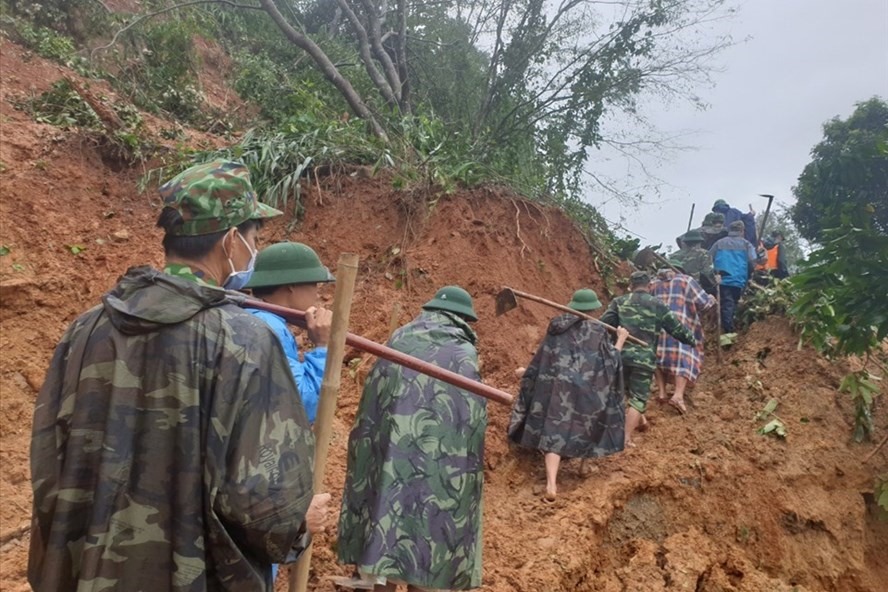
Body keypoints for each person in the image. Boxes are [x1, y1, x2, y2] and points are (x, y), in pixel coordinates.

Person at [28, 160, 330, 592]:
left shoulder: (86, 328)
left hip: (87, 572)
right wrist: (298, 524)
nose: (253, 249)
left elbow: (48, 462)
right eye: (254, 238)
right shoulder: (245, 341)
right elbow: (261, 502)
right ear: (230, 241)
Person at [338, 286, 487, 592]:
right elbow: (471, 420)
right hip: (440, 467)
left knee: (386, 530)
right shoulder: (464, 353)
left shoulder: (399, 340)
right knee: (428, 545)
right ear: (463, 320)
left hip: (391, 458)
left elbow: (373, 402)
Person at [508, 289, 630, 501]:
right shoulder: (598, 331)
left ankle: (552, 484)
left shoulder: (556, 327)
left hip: (556, 387)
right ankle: (584, 467)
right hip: (586, 388)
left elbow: (542, 356)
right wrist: (621, 339)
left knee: (553, 432)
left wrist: (527, 373)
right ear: (593, 308)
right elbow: (610, 362)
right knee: (590, 424)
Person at [600, 271, 696, 447]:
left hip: (620, 354)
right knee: (638, 398)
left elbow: (604, 324)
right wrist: (691, 340)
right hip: (644, 358)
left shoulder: (619, 302)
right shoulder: (657, 304)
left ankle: (640, 422)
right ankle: (625, 438)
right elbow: (676, 329)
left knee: (623, 391)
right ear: (649, 286)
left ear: (631, 285)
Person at [244, 241, 335, 423]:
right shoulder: (271, 328)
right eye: (313, 284)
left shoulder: (250, 315)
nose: (316, 294)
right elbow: (302, 404)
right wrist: (321, 346)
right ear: (291, 286)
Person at [651, 262, 717, 414]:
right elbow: (705, 304)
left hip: (658, 326)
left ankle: (662, 392)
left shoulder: (653, 284)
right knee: (685, 357)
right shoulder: (686, 281)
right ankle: (678, 395)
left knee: (658, 357)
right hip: (679, 326)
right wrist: (712, 298)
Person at [709, 220, 762, 333]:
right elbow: (753, 260)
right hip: (738, 280)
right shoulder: (746, 244)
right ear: (742, 231)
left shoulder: (719, 243)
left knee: (727, 302)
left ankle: (728, 326)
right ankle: (728, 329)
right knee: (732, 303)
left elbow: (708, 258)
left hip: (721, 279)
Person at [671, 229, 717, 293]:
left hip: (677, 286)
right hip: (696, 287)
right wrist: (715, 281)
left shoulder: (674, 255)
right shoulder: (704, 253)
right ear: (699, 242)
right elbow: (707, 272)